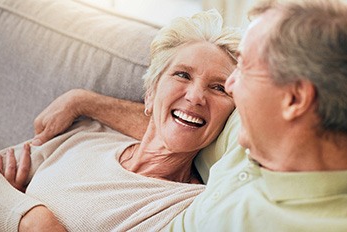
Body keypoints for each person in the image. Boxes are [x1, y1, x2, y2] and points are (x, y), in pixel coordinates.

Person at [21, 0, 347, 231]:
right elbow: (175, 126)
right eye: (182, 75)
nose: (232, 86)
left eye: (244, 68)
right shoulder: (251, 136)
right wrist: (83, 102)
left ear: (294, 99)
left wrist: (31, 220)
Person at [0, 10, 241, 231]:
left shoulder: (189, 208)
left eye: (218, 88)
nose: (196, 96)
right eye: (182, 74)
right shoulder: (88, 133)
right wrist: (26, 216)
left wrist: (23, 213)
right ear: (150, 94)